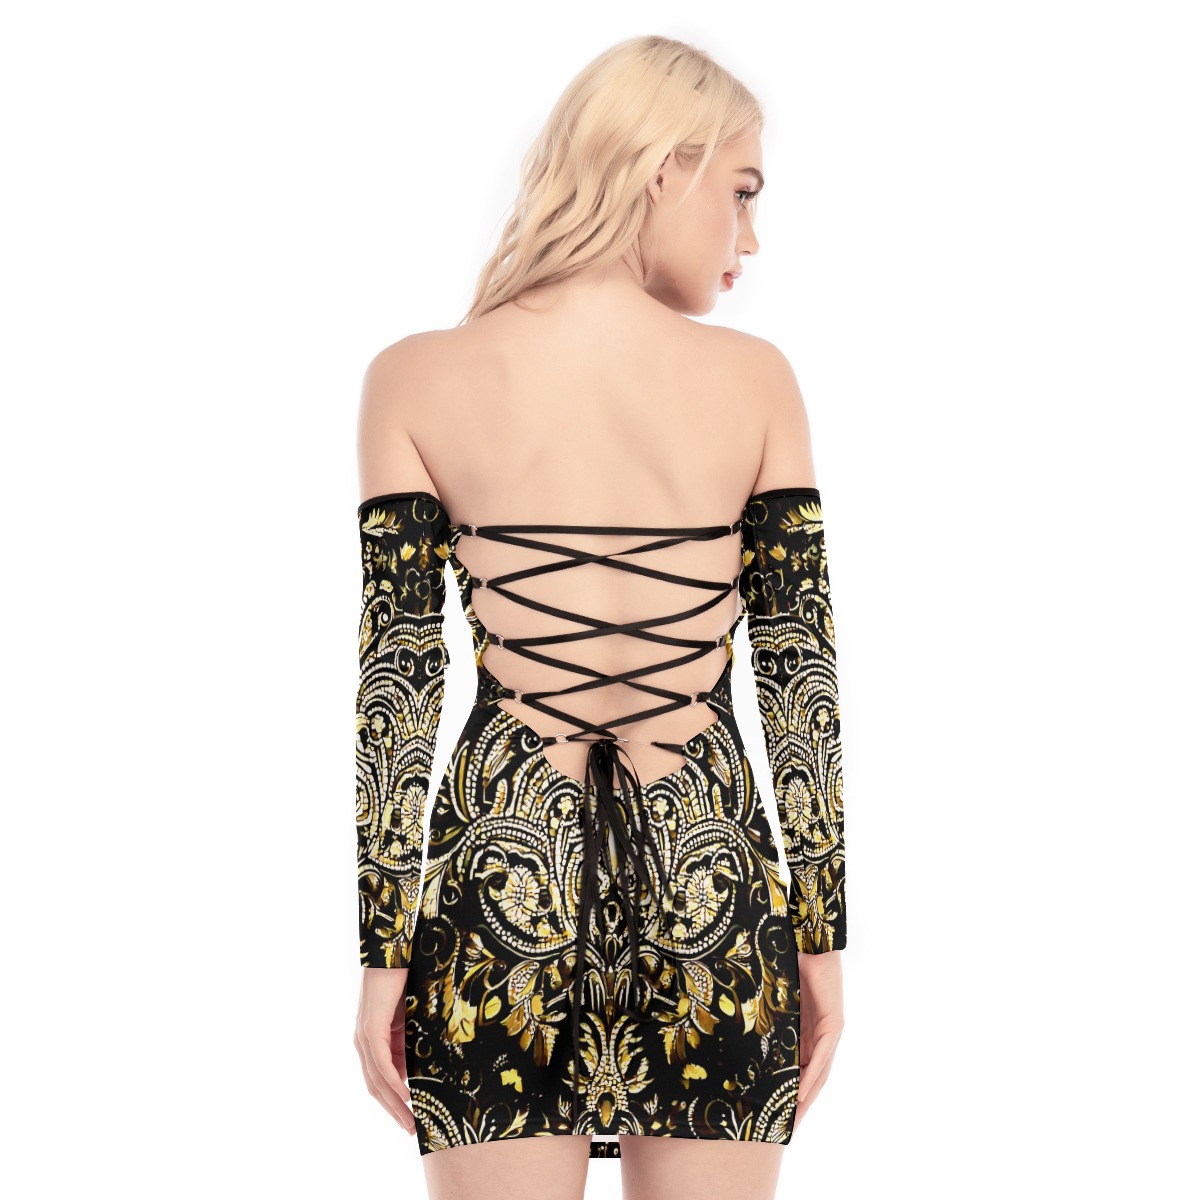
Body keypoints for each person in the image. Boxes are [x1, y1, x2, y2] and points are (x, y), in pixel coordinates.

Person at [352, 35, 846, 1200]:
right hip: (710, 885)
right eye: (742, 191)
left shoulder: (412, 378)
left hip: (497, 890)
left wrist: (383, 960)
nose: (750, 239)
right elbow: (801, 686)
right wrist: (822, 942)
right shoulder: (757, 381)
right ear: (665, 168)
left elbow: (398, 695)